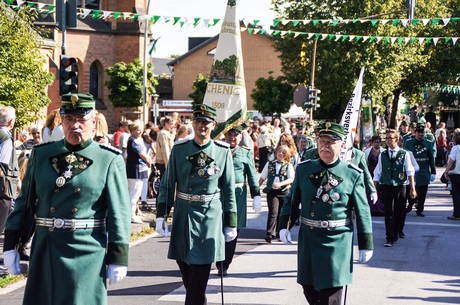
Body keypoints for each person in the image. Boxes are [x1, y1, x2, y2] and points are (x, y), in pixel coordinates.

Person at [3, 93, 131, 304]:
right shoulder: (42, 155)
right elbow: (25, 204)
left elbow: (119, 212)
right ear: (61, 121)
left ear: (93, 121)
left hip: (86, 250)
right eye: (69, 119)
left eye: (81, 120)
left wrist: (118, 256)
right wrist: (11, 243)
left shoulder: (108, 158)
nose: (75, 126)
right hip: (46, 247)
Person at [278, 122, 374, 305]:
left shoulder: (352, 174)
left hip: (337, 241)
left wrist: (365, 242)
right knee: (309, 288)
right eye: (322, 141)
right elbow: (292, 200)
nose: (325, 146)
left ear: (342, 145)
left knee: (331, 297)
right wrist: (285, 225)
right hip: (309, 238)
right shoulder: (304, 169)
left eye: (331, 142)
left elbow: (362, 210)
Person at [155, 104, 237, 305]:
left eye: (206, 123)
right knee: (187, 272)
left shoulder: (222, 151)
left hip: (210, 217)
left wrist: (231, 221)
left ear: (213, 125)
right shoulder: (180, 150)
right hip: (184, 214)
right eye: (198, 121)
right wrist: (161, 214)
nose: (202, 126)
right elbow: (168, 183)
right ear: (192, 123)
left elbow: (228, 189)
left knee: (200, 272)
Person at [217, 125, 261, 276]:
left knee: (233, 229)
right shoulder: (219, 150)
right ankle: (218, 258)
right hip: (220, 194)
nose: (233, 137)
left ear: (241, 137)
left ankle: (224, 264)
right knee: (218, 228)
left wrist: (256, 194)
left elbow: (252, 174)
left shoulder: (245, 153)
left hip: (238, 195)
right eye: (230, 134)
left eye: (236, 135)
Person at [373, 128, 416, 247]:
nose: (387, 140)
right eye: (386, 138)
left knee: (399, 211)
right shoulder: (383, 154)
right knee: (388, 212)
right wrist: (374, 187)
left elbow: (410, 171)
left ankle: (396, 232)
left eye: (390, 138)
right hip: (387, 185)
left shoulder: (404, 154)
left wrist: (412, 188)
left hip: (400, 185)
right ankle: (389, 237)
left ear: (396, 139)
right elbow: (377, 172)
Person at [259, 145, 295, 243]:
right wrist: (256, 189)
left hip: (284, 191)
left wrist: (280, 184)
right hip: (272, 191)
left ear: (286, 155)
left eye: (283, 153)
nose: (280, 154)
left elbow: (291, 179)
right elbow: (263, 177)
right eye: (279, 152)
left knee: (282, 213)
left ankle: (281, 233)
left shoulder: (288, 165)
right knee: (273, 212)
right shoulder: (270, 164)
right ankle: (270, 233)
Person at [404, 124, 436, 217]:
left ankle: (420, 210)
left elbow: (431, 157)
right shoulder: (408, 142)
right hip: (413, 169)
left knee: (423, 191)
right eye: (419, 133)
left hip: (424, 169)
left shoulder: (428, 142)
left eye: (422, 133)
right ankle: (410, 205)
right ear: (415, 133)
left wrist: (433, 171)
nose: (421, 135)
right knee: (412, 189)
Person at [126, 120, 152, 224]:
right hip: (135, 169)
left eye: (141, 129)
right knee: (134, 193)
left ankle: (133, 213)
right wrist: (149, 160)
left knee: (135, 193)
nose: (139, 131)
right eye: (137, 129)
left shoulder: (135, 140)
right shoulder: (133, 141)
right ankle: (131, 215)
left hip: (138, 169)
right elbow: (143, 154)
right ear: (132, 130)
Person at [444, 132, 460, 220]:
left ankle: (457, 214)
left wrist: (446, 171)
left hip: (457, 173)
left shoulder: (456, 148)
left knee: (456, 194)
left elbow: (451, 161)